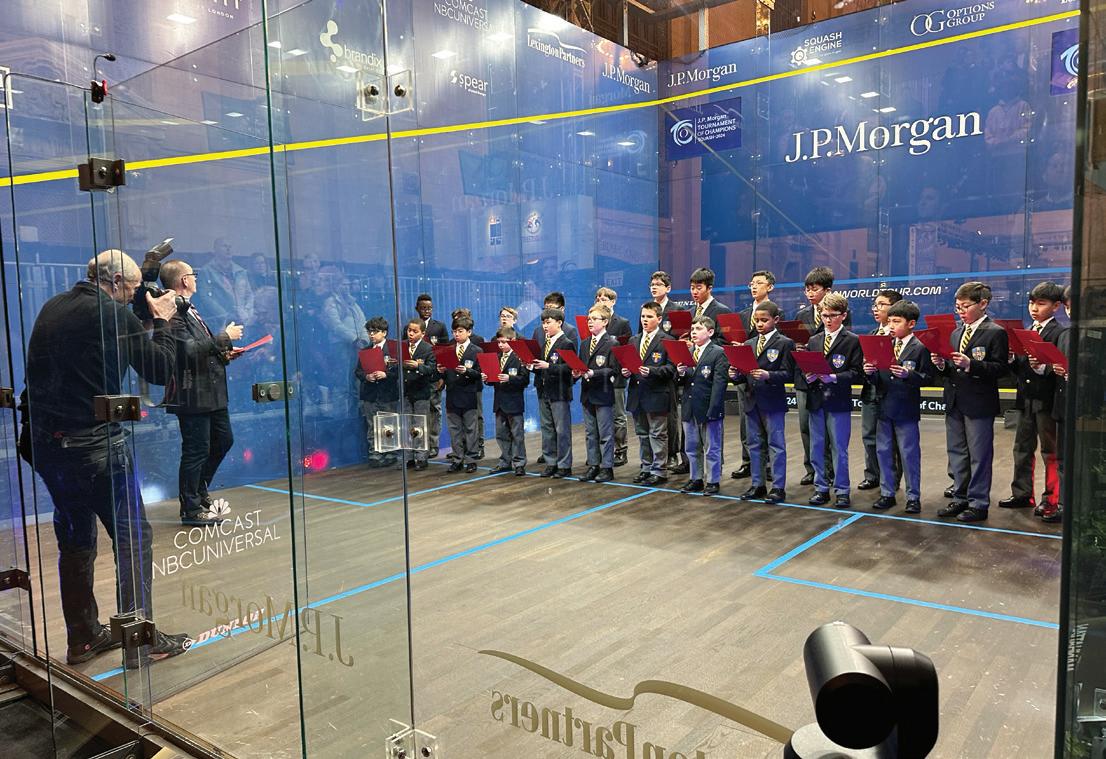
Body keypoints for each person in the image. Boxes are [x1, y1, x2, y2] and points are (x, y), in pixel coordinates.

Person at [22, 250, 189, 668]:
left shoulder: (54, 306)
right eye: (130, 289)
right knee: (133, 540)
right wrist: (164, 321)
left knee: (76, 539)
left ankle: (82, 638)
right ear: (115, 282)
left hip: (47, 447)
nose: (133, 296)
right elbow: (158, 369)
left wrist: (140, 319)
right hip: (96, 448)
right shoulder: (112, 314)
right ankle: (140, 643)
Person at [160, 260, 243, 526]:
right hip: (192, 394)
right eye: (193, 275)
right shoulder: (173, 311)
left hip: (211, 392)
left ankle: (199, 488)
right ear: (184, 280)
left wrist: (224, 353)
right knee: (196, 450)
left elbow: (201, 349)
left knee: (224, 440)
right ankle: (191, 508)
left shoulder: (190, 310)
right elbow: (189, 351)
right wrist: (224, 337)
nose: (196, 279)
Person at [933, 282, 1009, 523]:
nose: (961, 311)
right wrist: (942, 365)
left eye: (965, 306)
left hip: (979, 402)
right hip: (955, 400)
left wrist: (971, 365)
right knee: (957, 452)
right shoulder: (956, 332)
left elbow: (1001, 369)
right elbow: (951, 368)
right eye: (958, 307)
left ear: (983, 304)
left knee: (979, 455)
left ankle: (978, 503)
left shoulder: (995, 332)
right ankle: (960, 497)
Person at [863, 300, 934, 514]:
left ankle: (913, 496)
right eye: (890, 321)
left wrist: (908, 375)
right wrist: (870, 373)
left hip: (906, 409)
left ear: (911, 323)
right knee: (883, 451)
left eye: (897, 321)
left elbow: (928, 378)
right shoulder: (884, 345)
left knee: (909, 454)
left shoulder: (920, 348)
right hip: (884, 407)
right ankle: (887, 493)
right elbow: (878, 377)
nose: (891, 326)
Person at [1001, 281, 1065, 514]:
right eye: (1031, 303)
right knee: (1022, 448)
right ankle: (1022, 493)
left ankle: (1051, 499)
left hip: (1047, 401)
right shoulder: (1028, 330)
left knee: (1050, 452)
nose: (1034, 308)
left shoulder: (1059, 332)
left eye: (1041, 303)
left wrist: (1042, 368)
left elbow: (1061, 368)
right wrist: (1011, 358)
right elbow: (1021, 367)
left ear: (1056, 306)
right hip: (1026, 399)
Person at [803, 293, 863, 508]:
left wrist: (834, 377)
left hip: (838, 401)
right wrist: (807, 376)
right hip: (816, 400)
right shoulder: (814, 340)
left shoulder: (852, 340)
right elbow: (805, 368)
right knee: (817, 447)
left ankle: (842, 490)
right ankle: (820, 487)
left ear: (843, 315)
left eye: (832, 315)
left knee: (839, 448)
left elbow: (857, 373)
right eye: (824, 315)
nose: (828, 320)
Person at [730, 300, 793, 503]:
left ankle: (778, 487)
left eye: (764, 320)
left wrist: (769, 375)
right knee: (754, 444)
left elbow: (789, 374)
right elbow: (744, 373)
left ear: (776, 320)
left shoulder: (785, 343)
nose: (759, 324)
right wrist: (735, 375)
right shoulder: (749, 343)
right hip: (751, 400)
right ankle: (757, 484)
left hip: (773, 401)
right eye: (756, 320)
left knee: (776, 445)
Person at [794, 266, 847, 486]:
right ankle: (813, 469)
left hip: (829, 380)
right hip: (806, 378)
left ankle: (831, 471)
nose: (810, 293)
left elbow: (842, 346)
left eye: (814, 289)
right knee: (807, 427)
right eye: (807, 289)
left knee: (832, 433)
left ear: (827, 290)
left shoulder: (840, 313)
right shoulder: (801, 315)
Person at [731, 270, 776, 481]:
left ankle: (768, 464)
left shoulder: (777, 312)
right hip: (744, 373)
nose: (754, 286)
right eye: (751, 283)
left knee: (767, 424)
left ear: (770, 287)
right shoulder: (743, 314)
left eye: (759, 283)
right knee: (745, 421)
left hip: (766, 374)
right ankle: (748, 461)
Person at [678, 316, 729, 495]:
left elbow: (719, 383)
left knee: (712, 447)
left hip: (708, 406)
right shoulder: (688, 351)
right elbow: (682, 382)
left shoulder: (718, 352)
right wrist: (680, 373)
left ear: (710, 332)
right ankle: (696, 478)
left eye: (698, 329)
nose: (693, 332)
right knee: (691, 446)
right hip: (689, 406)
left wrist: (714, 408)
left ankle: (713, 480)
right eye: (692, 329)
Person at [625, 302, 675, 486]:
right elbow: (629, 363)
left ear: (659, 319)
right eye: (643, 316)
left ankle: (659, 470)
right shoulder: (633, 340)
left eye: (649, 317)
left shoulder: (667, 340)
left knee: (658, 433)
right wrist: (626, 371)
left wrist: (652, 371)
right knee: (642, 433)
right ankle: (646, 467)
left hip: (657, 393)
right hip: (637, 392)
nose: (645, 320)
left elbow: (672, 368)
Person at [859, 290, 903, 492]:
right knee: (869, 436)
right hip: (871, 392)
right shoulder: (871, 335)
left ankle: (892, 479)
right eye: (875, 305)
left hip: (891, 394)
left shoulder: (900, 337)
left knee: (891, 441)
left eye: (882, 304)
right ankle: (872, 475)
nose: (876, 309)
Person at [649, 270, 687, 475]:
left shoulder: (677, 310)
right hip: (652, 369)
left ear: (668, 288)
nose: (654, 287)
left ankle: (672, 454)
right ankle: (655, 457)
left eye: (658, 284)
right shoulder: (647, 309)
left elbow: (682, 338)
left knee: (671, 415)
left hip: (670, 367)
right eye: (652, 284)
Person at [531, 307, 576, 478]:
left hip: (559, 392)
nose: (545, 326)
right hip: (544, 391)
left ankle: (564, 465)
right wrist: (532, 366)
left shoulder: (566, 343)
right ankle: (551, 462)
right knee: (547, 429)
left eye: (548, 322)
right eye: (543, 322)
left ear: (559, 323)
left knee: (561, 430)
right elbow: (542, 367)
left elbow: (570, 368)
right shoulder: (546, 343)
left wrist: (548, 366)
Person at [577, 304, 617, 483]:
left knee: (605, 433)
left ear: (605, 321)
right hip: (587, 393)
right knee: (590, 432)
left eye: (594, 319)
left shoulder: (612, 343)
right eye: (589, 319)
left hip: (603, 393)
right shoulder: (585, 343)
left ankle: (607, 467)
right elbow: (581, 365)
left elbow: (613, 369)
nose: (590, 322)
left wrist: (594, 373)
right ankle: (593, 465)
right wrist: (576, 372)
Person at [355, 316, 400, 469]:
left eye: (375, 332)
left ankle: (390, 453)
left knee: (389, 424)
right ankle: (375, 453)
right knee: (372, 425)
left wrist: (386, 374)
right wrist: (366, 376)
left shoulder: (394, 349)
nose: (372, 335)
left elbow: (400, 370)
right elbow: (358, 371)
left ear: (384, 332)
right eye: (370, 332)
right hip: (371, 394)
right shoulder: (365, 351)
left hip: (388, 393)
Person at [1044, 286, 1072, 524]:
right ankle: (1062, 503)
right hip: (1063, 405)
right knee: (1062, 458)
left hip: (1088, 409)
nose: (1071, 311)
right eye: (1069, 307)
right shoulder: (1065, 335)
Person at [484, 327, 529, 476]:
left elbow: (525, 380)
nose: (501, 345)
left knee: (517, 435)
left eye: (504, 342)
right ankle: (505, 461)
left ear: (513, 341)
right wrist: (487, 379)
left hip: (514, 402)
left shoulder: (519, 358)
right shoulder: (496, 357)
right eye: (499, 342)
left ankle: (519, 463)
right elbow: (492, 380)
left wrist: (510, 379)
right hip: (499, 402)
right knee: (501, 434)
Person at [595, 288, 632, 467]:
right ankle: (602, 451)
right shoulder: (592, 321)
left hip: (616, 376)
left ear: (613, 302)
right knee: (600, 417)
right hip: (598, 377)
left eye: (604, 299)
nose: (601, 301)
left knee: (618, 415)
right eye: (598, 299)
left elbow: (627, 350)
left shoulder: (622, 323)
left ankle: (621, 450)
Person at [441, 316, 482, 473]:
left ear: (469, 332)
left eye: (460, 331)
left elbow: (480, 374)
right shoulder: (448, 350)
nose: (456, 334)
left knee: (471, 429)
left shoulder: (476, 351)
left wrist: (467, 371)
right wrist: (440, 371)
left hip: (468, 394)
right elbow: (442, 374)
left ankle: (471, 459)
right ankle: (457, 459)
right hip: (452, 394)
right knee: (454, 429)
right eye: (454, 331)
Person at [401, 319, 437, 471]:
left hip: (421, 392)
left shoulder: (428, 348)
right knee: (406, 425)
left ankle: (421, 457)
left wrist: (418, 366)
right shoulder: (401, 346)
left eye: (415, 331)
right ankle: (408, 457)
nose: (411, 333)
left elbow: (432, 369)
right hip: (406, 391)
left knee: (420, 425)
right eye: (409, 330)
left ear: (422, 333)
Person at [416, 294, 448, 459]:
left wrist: (442, 376)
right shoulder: (411, 327)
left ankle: (434, 444)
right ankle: (420, 445)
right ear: (417, 309)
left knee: (435, 410)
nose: (426, 311)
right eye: (423, 308)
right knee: (419, 412)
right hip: (417, 377)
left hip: (435, 375)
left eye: (429, 308)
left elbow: (444, 352)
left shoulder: (439, 327)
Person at [194, 237, 253, 326]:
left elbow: (249, 294)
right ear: (215, 249)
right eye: (224, 246)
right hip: (219, 322)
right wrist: (224, 315)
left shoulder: (240, 271)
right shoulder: (206, 271)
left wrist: (247, 313)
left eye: (230, 246)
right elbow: (205, 298)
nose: (228, 249)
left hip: (242, 320)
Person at [688, 268, 731, 343]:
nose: (694, 292)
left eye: (699, 288)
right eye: (692, 288)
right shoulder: (690, 312)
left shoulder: (723, 311)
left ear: (709, 288)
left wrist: (698, 345)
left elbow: (724, 341)